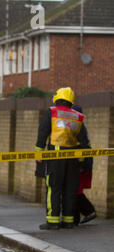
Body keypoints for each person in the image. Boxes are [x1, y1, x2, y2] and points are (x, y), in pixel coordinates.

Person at [35, 87, 90, 230]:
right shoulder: (78, 116)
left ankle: (53, 221)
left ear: (57, 99)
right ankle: (68, 221)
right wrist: (82, 161)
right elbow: (83, 141)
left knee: (54, 188)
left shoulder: (52, 112)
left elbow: (43, 132)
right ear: (71, 101)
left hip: (55, 157)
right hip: (73, 158)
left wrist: (39, 152)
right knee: (70, 189)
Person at [72, 105, 97, 225]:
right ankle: (76, 217)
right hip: (83, 163)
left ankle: (89, 212)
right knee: (74, 190)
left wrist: (81, 165)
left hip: (82, 164)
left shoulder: (77, 127)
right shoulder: (79, 126)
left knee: (75, 190)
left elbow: (81, 146)